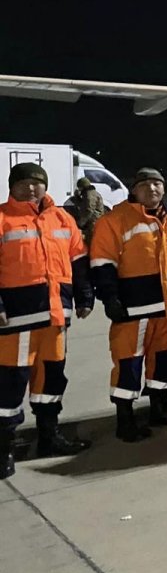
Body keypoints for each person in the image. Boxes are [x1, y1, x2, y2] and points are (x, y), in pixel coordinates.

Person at [0, 163, 94, 476]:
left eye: (37, 183)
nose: (31, 188)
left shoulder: (62, 218)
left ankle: (49, 437)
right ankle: (3, 447)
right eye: (24, 183)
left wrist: (84, 296)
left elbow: (78, 261)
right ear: (12, 186)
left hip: (55, 318)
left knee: (51, 380)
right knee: (10, 385)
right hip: (16, 321)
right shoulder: (2, 218)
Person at [89, 168, 167, 441]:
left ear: (163, 188)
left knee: (166, 360)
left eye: (157, 183)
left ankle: (159, 408)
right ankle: (125, 419)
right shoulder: (114, 220)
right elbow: (102, 262)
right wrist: (110, 297)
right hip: (133, 308)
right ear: (134, 190)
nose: (152, 189)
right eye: (144, 185)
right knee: (128, 363)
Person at [67, 177, 107, 244]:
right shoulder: (89, 194)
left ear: (82, 187)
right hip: (93, 222)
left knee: (91, 241)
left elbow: (89, 210)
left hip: (93, 223)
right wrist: (77, 197)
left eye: (79, 187)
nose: (79, 189)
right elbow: (83, 205)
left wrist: (81, 223)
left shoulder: (89, 195)